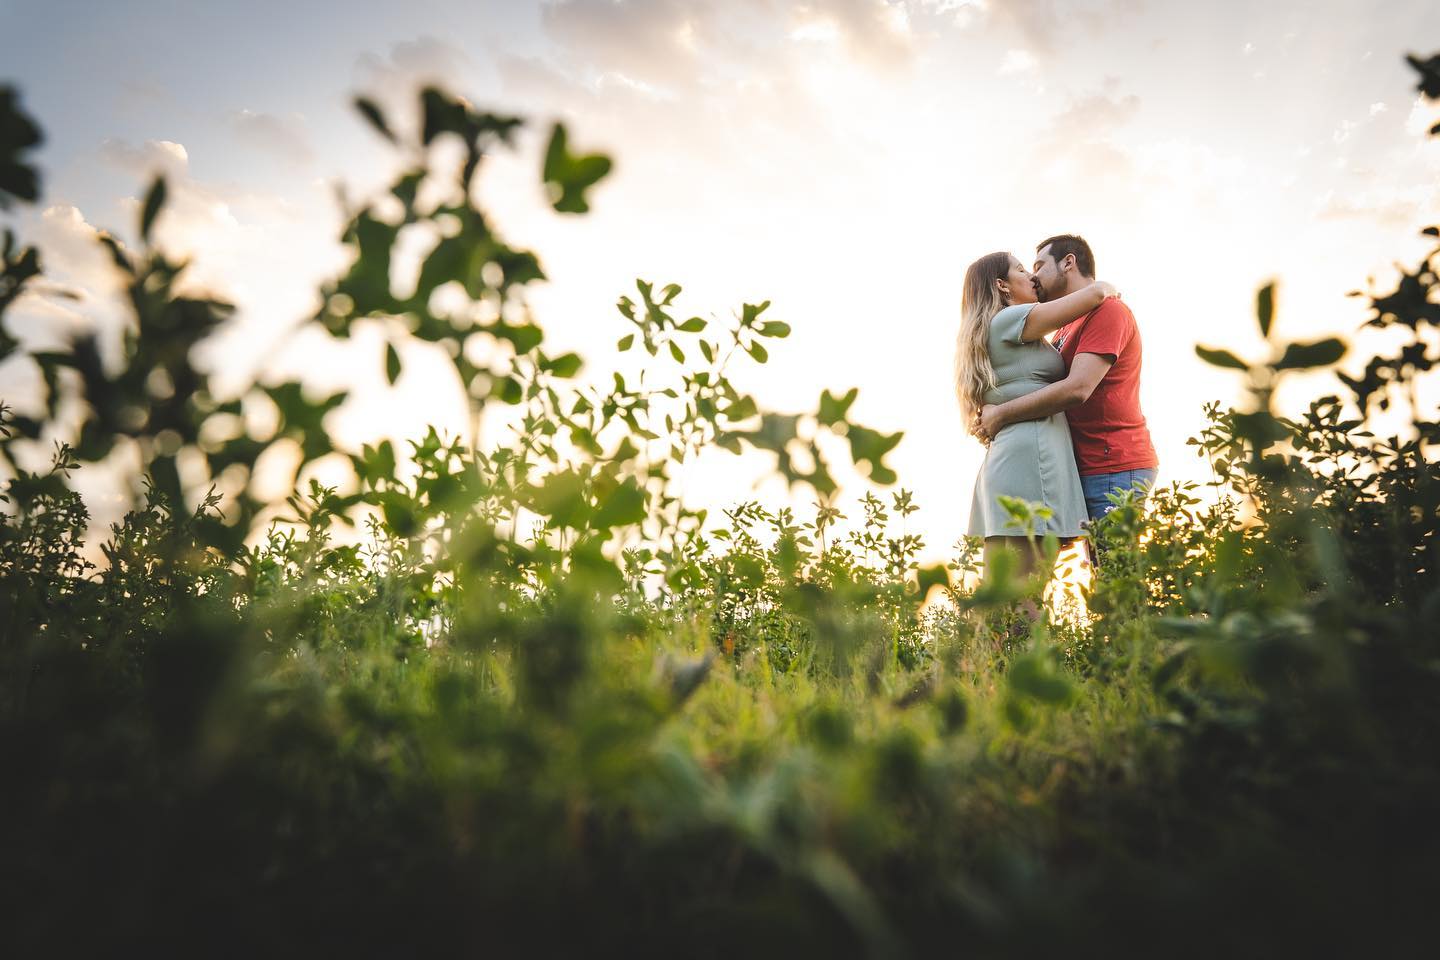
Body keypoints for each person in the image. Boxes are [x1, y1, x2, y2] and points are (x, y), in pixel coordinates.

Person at [957, 250, 1119, 597]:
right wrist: (1106, 286)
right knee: (1024, 594)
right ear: (1001, 285)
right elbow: (1093, 295)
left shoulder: (1002, 329)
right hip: (1031, 462)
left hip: (1014, 460)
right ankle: (1032, 652)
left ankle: (984, 654)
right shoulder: (1010, 320)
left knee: (1003, 594)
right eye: (1021, 270)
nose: (1031, 277)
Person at [975, 235, 1157, 525]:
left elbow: (1078, 389)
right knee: (1100, 566)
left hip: (1112, 463)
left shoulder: (1107, 310)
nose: (1033, 277)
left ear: (1068, 263)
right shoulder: (1062, 327)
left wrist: (1001, 414)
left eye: (1038, 265)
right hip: (1081, 465)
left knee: (1116, 567)